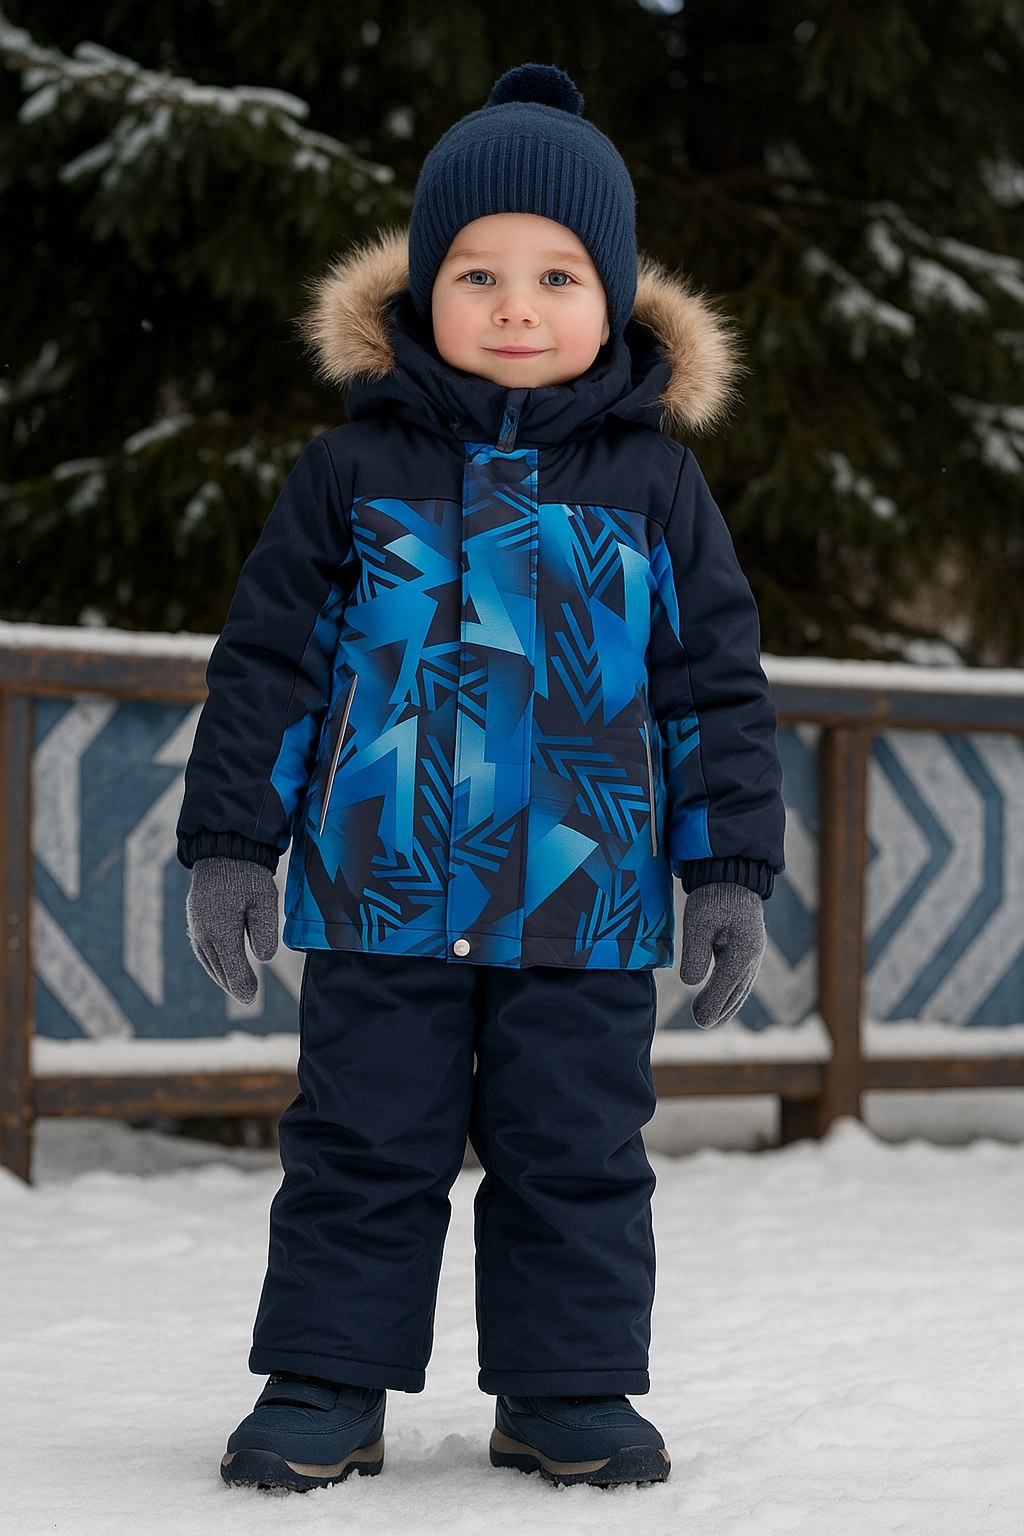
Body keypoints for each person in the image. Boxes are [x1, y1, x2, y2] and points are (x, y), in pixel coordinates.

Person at [177, 62, 785, 1494]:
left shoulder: (655, 490)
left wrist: (727, 871)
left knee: (576, 1150)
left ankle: (565, 1391)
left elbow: (712, 692)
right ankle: (324, 1381)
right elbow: (269, 667)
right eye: (479, 274)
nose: (518, 307)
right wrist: (234, 843)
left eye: (558, 276)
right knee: (358, 1142)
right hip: (380, 889)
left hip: (583, 902)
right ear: (422, 291)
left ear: (613, 300)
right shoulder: (351, 471)